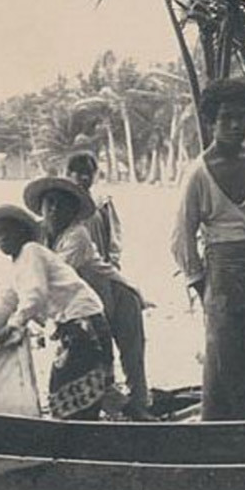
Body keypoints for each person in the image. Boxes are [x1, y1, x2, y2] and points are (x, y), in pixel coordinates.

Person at [170, 77, 245, 421]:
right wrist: (201, 283)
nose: (235, 125)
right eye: (225, 118)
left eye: (242, 117)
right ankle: (225, 442)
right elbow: (181, 237)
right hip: (222, 274)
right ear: (210, 121)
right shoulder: (197, 174)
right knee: (226, 364)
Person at [25, 175, 154, 421]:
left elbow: (54, 276)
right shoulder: (41, 237)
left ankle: (140, 413)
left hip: (116, 295)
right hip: (89, 304)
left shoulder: (78, 236)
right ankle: (121, 411)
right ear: (40, 207)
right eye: (49, 202)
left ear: (73, 211)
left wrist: (34, 317)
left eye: (61, 204)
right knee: (96, 366)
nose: (53, 209)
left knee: (131, 361)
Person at [0, 205, 113, 421]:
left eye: (8, 232)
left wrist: (15, 325)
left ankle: (81, 436)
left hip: (82, 320)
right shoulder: (19, 265)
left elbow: (35, 295)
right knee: (80, 386)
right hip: (78, 320)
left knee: (67, 384)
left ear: (22, 232)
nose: (3, 239)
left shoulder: (31, 251)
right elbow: (7, 303)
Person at [65, 152, 123, 267]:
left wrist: (113, 261)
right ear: (69, 174)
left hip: (100, 266)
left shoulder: (102, 203)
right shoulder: (62, 204)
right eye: (79, 173)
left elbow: (114, 235)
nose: (85, 177)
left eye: (88, 173)